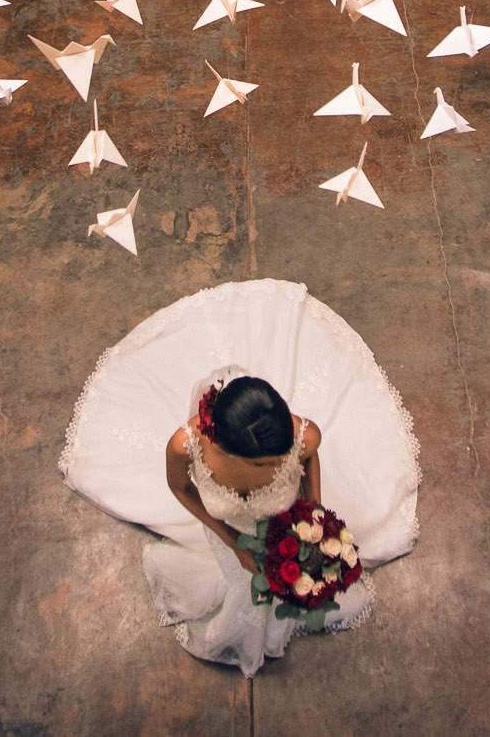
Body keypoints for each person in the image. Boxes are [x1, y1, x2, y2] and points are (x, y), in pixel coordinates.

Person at [60, 278, 420, 676]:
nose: (278, 468)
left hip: (285, 524)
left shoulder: (305, 435)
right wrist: (231, 542)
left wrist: (312, 511)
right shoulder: (185, 446)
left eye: (280, 459)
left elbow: (310, 457)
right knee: (242, 584)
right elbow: (180, 488)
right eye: (263, 465)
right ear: (223, 447)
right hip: (225, 530)